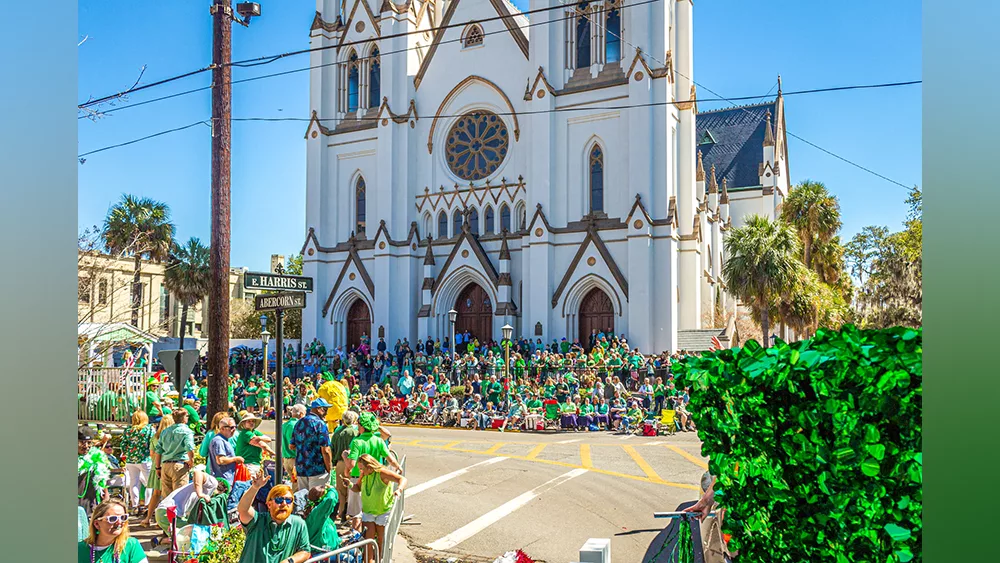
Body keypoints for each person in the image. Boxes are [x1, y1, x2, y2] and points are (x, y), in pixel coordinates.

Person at [238, 470, 312, 563]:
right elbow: (243, 510)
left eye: (288, 500)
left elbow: (305, 551)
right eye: (279, 500)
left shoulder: (298, 523)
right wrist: (255, 487)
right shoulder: (258, 521)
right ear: (269, 504)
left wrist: (289, 561)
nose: (284, 504)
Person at [344, 413, 400, 531]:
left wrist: (344, 457)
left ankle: (357, 541)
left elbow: (351, 464)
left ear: (363, 427)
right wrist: (398, 467)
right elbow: (390, 459)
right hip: (375, 477)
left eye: (359, 424)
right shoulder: (378, 440)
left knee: (357, 513)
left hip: (357, 477)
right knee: (371, 511)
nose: (357, 427)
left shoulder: (357, 442)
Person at [354, 454, 407, 563]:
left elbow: (402, 479)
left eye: (362, 468)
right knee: (368, 541)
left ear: (369, 466)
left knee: (381, 541)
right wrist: (349, 484)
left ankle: (381, 560)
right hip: (368, 512)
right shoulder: (364, 474)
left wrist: (399, 490)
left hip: (383, 512)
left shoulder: (382, 473)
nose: (360, 471)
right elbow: (357, 488)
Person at [153, 468, 221, 535]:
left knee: (179, 538)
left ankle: (159, 541)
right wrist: (200, 493)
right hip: (168, 512)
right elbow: (198, 472)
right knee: (195, 533)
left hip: (164, 512)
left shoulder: (204, 498)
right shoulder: (213, 484)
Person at [78, 498, 149, 563]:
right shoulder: (79, 549)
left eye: (123, 517)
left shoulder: (131, 545)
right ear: (97, 524)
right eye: (112, 519)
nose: (119, 522)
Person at [289, 399, 333, 492]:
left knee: (303, 499)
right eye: (325, 409)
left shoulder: (299, 422)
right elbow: (325, 450)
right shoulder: (320, 424)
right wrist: (329, 468)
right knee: (317, 499)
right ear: (319, 409)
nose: (326, 412)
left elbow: (292, 445)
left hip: (301, 468)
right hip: (318, 469)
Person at [153, 408, 196, 498]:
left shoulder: (165, 431)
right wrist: (191, 461)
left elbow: (158, 451)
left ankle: (168, 512)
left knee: (167, 498)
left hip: (165, 465)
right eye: (187, 416)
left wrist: (157, 467)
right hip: (179, 465)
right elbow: (190, 447)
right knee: (180, 497)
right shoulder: (186, 431)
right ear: (184, 418)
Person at [119, 410, 154, 515]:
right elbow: (152, 444)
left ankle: (135, 505)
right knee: (149, 484)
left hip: (131, 459)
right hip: (145, 458)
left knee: (134, 483)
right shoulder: (148, 429)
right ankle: (147, 505)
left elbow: (123, 444)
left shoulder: (128, 430)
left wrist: (128, 452)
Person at [331, 411, 360, 525]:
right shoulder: (355, 432)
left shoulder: (337, 432)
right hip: (353, 462)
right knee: (352, 489)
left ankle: (342, 512)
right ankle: (351, 516)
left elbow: (332, 447)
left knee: (341, 490)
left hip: (340, 462)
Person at [304, 485, 341, 555]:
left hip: (330, 551)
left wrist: (340, 540)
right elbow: (330, 499)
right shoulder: (316, 514)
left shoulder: (324, 517)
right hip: (319, 554)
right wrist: (332, 490)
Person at [235, 412, 273, 478]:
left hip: (254, 463)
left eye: (253, 421)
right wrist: (272, 453)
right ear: (244, 424)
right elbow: (262, 445)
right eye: (249, 421)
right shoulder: (246, 433)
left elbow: (268, 439)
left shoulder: (255, 432)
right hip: (248, 464)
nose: (251, 423)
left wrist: (259, 437)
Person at [208, 416, 243, 484]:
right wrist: (235, 459)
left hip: (227, 479)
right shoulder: (219, 441)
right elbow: (220, 460)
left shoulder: (224, 440)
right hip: (222, 480)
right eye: (231, 427)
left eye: (235, 427)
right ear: (222, 428)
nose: (234, 429)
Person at [282, 404, 306, 482]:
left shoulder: (284, 425)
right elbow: (295, 444)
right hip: (295, 459)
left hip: (286, 459)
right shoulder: (297, 425)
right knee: (298, 487)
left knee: (293, 484)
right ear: (301, 414)